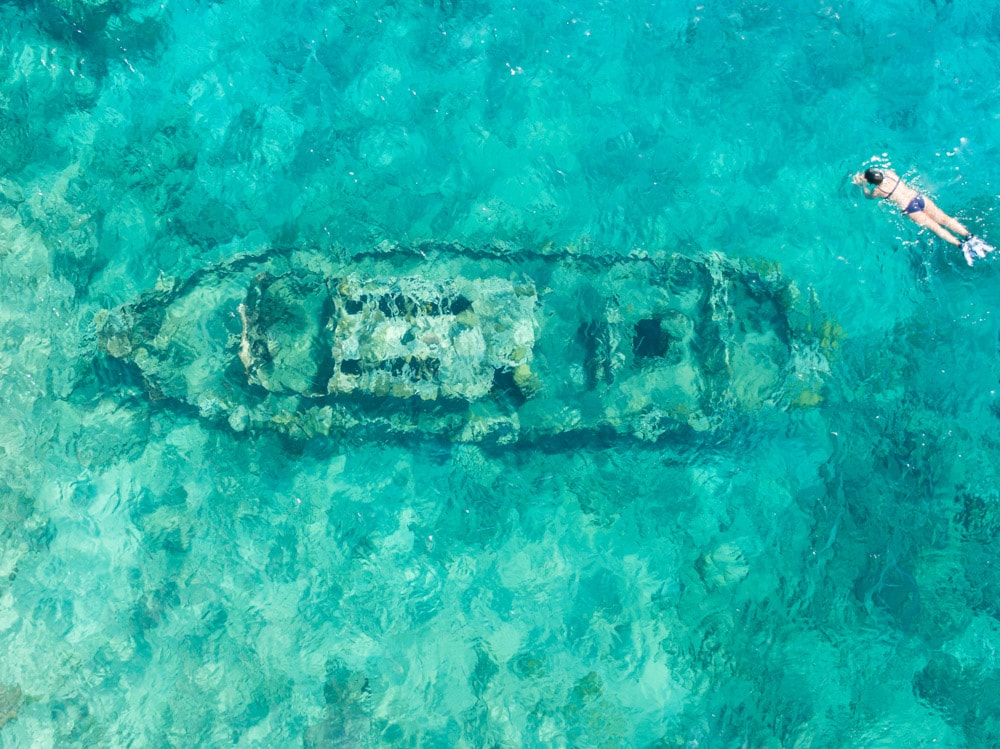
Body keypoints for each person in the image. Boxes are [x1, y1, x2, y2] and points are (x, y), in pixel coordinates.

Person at [852, 167, 993, 265]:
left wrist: (862, 185)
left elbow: (868, 197)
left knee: (937, 228)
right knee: (945, 218)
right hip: (919, 198)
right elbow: (881, 174)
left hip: (910, 208)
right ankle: (970, 236)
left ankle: (960, 245)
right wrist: (868, 176)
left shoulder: (878, 190)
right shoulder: (890, 174)